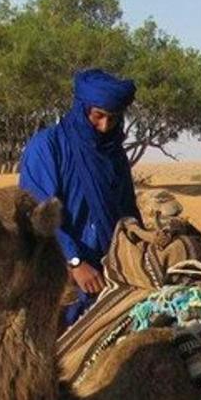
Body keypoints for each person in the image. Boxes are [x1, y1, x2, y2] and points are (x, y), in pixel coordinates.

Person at [19, 68, 141, 325]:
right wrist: (75, 261)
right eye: (98, 116)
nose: (105, 126)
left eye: (113, 118)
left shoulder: (114, 155)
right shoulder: (47, 146)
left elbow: (127, 211)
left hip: (110, 271)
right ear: (82, 108)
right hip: (62, 270)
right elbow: (38, 213)